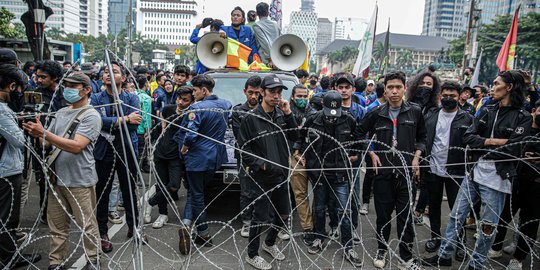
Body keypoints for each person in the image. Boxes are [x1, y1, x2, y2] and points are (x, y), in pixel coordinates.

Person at [423, 70, 532, 270]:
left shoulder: (522, 116)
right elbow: (468, 138)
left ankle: (477, 263)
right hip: (474, 172)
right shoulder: (488, 110)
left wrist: (485, 145)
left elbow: (515, 149)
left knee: (488, 226)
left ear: (509, 87)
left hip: (497, 178)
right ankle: (444, 255)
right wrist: (492, 142)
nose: (492, 86)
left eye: (497, 83)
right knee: (457, 216)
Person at [23, 72, 102, 270]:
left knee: (87, 225)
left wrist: (45, 133)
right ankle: (55, 261)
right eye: (66, 85)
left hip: (80, 179)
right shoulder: (60, 112)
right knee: (57, 225)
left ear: (86, 90)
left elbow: (77, 146)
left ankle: (93, 259)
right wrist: (38, 131)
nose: (68, 89)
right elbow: (47, 142)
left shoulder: (91, 115)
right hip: (56, 177)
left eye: (74, 86)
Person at [358, 71, 427, 270]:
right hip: (383, 174)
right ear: (385, 90)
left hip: (406, 174)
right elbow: (359, 134)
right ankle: (382, 248)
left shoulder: (414, 112)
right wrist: (371, 153)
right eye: (390, 87)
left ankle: (405, 256)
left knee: (406, 216)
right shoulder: (375, 113)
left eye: (398, 87)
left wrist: (416, 156)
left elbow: (422, 137)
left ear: (404, 88)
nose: (394, 91)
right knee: (383, 215)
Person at [238, 74, 297, 270]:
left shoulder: (281, 114)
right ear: (262, 92)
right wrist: (260, 164)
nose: (276, 96)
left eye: (279, 92)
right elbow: (243, 148)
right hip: (261, 177)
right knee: (260, 217)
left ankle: (269, 244)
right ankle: (252, 254)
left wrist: (289, 114)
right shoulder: (251, 118)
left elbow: (295, 136)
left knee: (284, 215)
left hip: (281, 174)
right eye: (272, 92)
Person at [300, 90, 363, 267]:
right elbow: (301, 136)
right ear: (324, 107)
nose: (333, 118)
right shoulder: (314, 119)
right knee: (319, 208)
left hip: (340, 173)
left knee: (344, 210)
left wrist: (354, 155)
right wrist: (300, 151)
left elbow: (359, 140)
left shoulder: (348, 119)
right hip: (319, 172)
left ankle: (348, 246)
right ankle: (319, 237)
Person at [91, 61, 144, 253]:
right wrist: (124, 119)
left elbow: (134, 124)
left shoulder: (131, 98)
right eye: (106, 72)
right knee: (102, 191)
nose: (109, 75)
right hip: (104, 150)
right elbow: (96, 121)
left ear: (123, 77)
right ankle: (102, 232)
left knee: (129, 190)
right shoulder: (96, 98)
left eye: (114, 72)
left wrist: (116, 122)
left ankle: (134, 227)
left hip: (126, 149)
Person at [177, 75, 231, 251]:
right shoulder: (225, 104)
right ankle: (186, 225)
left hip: (197, 158)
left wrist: (185, 147)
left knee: (197, 194)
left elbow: (190, 133)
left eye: (195, 90)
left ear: (204, 90)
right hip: (215, 157)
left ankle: (204, 232)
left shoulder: (197, 109)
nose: (193, 93)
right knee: (196, 192)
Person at [422, 82, 473, 259]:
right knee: (434, 206)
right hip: (433, 169)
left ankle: (460, 243)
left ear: (459, 97)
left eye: (452, 95)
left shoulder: (467, 118)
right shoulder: (431, 115)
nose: (448, 98)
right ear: (440, 96)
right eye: (445, 95)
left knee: (458, 209)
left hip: (456, 170)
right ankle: (435, 237)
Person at [0, 64, 42, 269]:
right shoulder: (1, 109)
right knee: (8, 216)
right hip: (6, 171)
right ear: (11, 85)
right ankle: (8, 258)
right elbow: (19, 141)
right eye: (18, 89)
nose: (20, 93)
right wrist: (31, 129)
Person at [492, 99, 540, 270]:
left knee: (530, 223)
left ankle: (518, 258)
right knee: (503, 215)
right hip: (514, 180)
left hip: (536, 185)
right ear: (535, 109)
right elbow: (510, 147)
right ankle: (495, 246)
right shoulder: (523, 125)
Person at [145, 87, 194, 229]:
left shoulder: (191, 115)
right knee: (161, 183)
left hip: (176, 155)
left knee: (174, 185)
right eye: (179, 98)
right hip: (161, 152)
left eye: (185, 100)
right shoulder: (167, 109)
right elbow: (163, 127)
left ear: (191, 102)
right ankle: (163, 214)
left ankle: (150, 202)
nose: (180, 102)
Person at [33, 60, 68, 224]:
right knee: (45, 181)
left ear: (54, 78)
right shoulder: (35, 95)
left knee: (64, 180)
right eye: (37, 76)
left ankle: (65, 211)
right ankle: (47, 214)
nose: (39, 80)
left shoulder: (65, 94)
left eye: (43, 77)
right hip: (42, 146)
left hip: (64, 144)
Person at [231, 75, 262, 237]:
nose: (254, 96)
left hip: (264, 157)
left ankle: (260, 220)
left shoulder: (265, 111)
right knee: (246, 191)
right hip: (245, 158)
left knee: (263, 189)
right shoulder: (238, 111)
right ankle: (247, 222)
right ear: (245, 92)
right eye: (251, 92)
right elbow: (241, 136)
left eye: (257, 93)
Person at [289, 84, 316, 245]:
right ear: (293, 97)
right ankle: (308, 228)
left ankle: (317, 225)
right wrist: (296, 153)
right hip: (294, 157)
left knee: (319, 192)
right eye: (299, 96)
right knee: (300, 194)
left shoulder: (313, 113)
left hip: (311, 156)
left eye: (304, 96)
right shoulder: (286, 113)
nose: (302, 99)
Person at [252, 2, 280, 66]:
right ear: (268, 13)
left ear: (256, 13)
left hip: (266, 60)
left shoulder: (256, 25)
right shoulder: (275, 24)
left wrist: (270, 59)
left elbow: (264, 43)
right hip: (278, 57)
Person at [135, 76, 153, 173]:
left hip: (133, 128)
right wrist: (148, 130)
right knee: (140, 153)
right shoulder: (146, 98)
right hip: (141, 130)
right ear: (146, 84)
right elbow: (146, 116)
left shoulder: (133, 95)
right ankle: (136, 176)